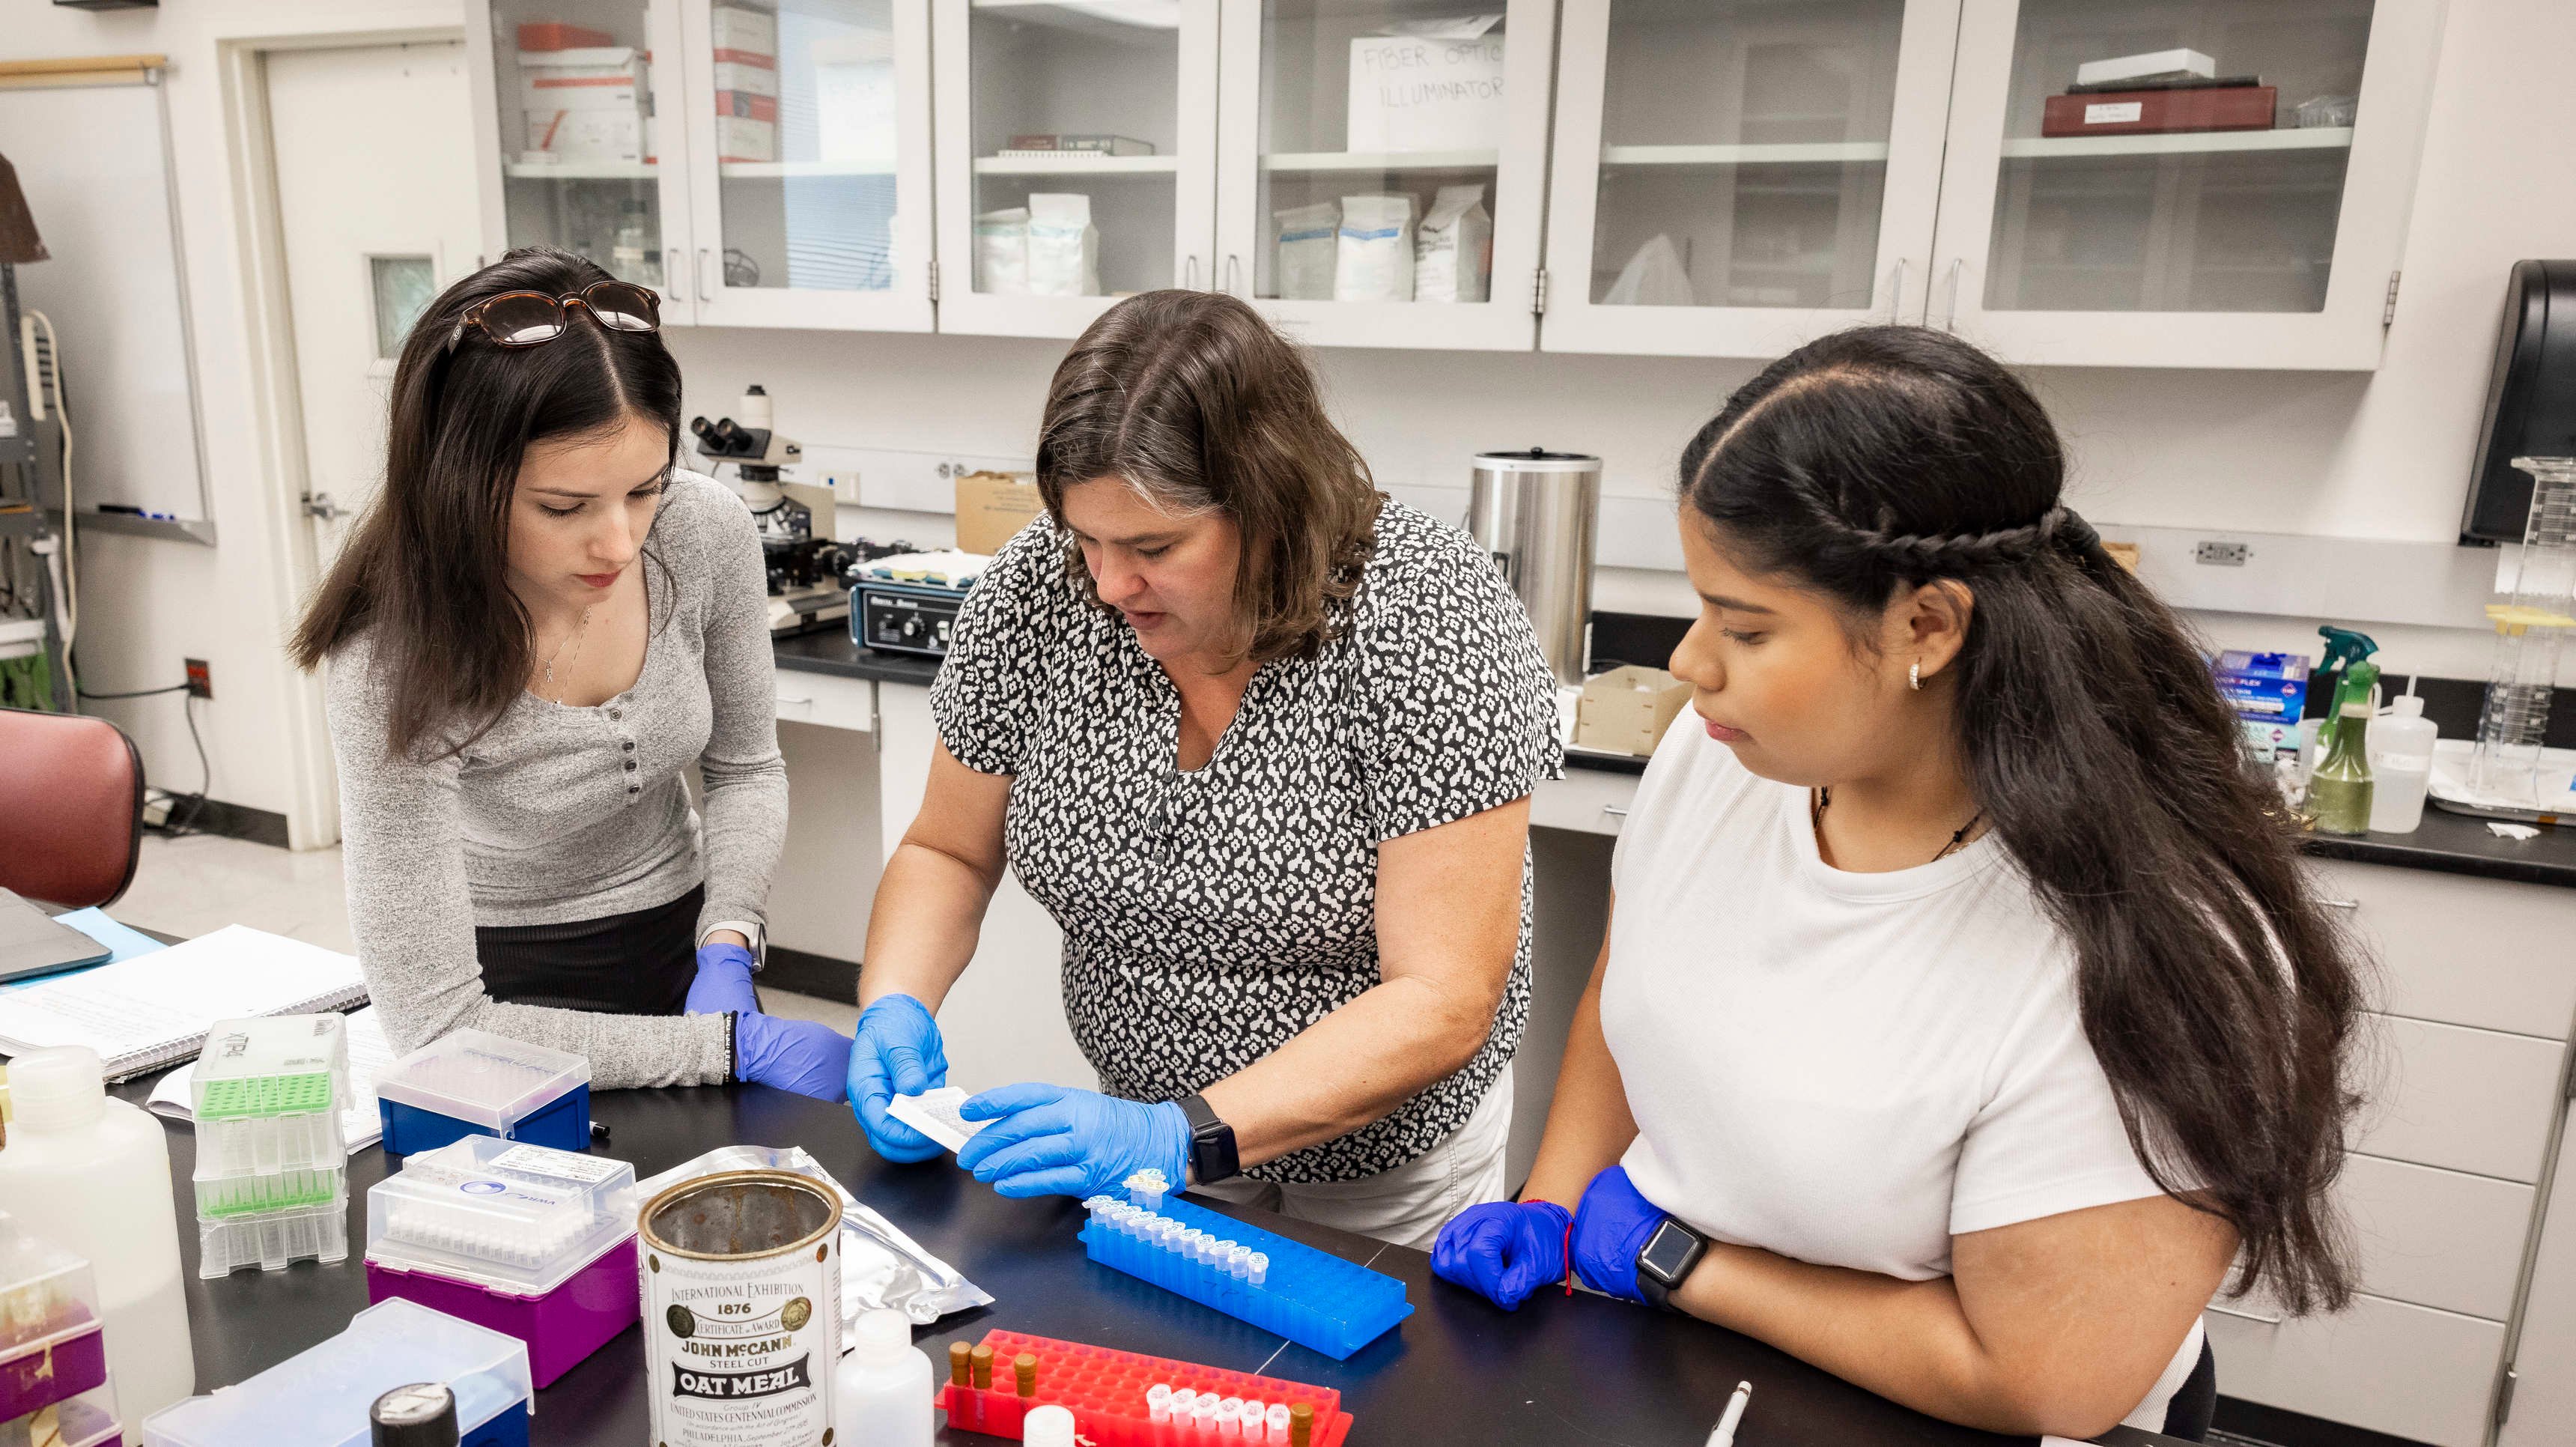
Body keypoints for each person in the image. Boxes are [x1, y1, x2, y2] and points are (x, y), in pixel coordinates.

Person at [1429, 326, 2365, 1441]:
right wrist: (1552, 1205)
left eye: (1745, 628)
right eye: (1701, 607)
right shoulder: (1722, 757)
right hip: (1672, 1362)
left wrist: (1673, 1260)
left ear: (1927, 624)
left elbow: (2042, 1380)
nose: (1689, 661)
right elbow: (1630, 980)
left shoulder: (2147, 940)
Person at [844, 290, 1561, 1247]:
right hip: (1143, 1143)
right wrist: (893, 1001)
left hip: (1377, 1176)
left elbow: (1442, 997)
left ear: (1267, 504)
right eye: (1086, 539)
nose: (1108, 585)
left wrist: (1182, 1136)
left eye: (1153, 548)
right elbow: (948, 850)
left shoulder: (1424, 613)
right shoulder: (1038, 588)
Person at [291, 247, 849, 1097]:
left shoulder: (702, 531)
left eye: (644, 490)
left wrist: (729, 939)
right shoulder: (391, 656)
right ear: (460, 483)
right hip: (501, 1001)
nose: (620, 543)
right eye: (564, 506)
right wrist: (727, 1052)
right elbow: (436, 1027)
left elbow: (745, 767)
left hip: (686, 947)